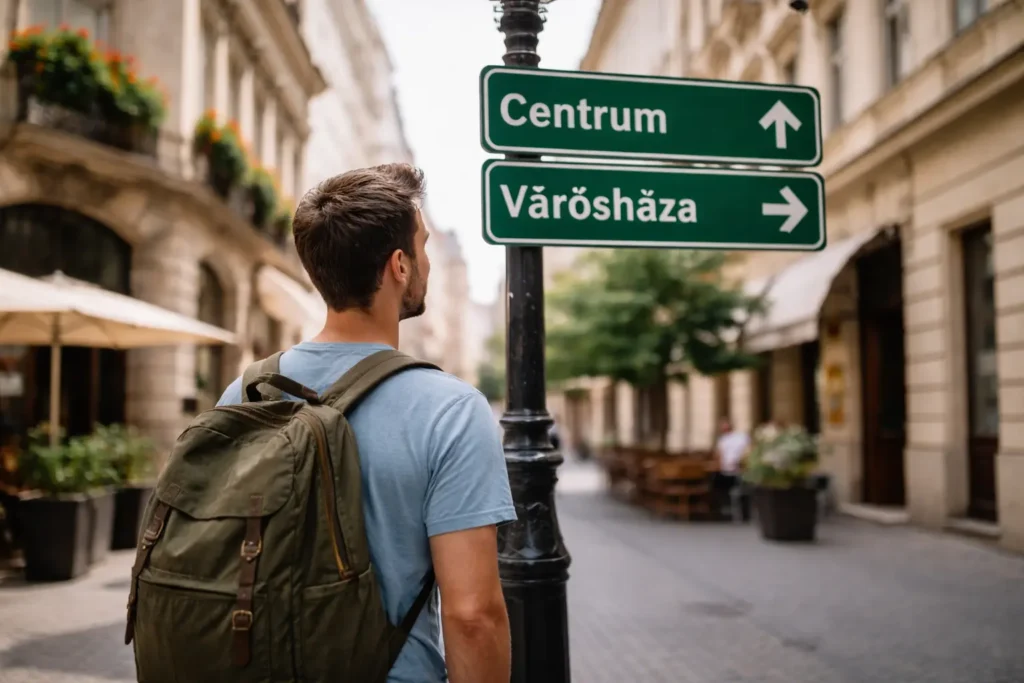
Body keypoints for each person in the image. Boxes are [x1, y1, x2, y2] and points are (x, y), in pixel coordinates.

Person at [217, 164, 516, 683]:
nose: (427, 261)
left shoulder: (246, 391)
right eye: (422, 246)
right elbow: (472, 616)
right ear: (399, 265)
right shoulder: (450, 410)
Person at [712, 417, 751, 517]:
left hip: (736, 472)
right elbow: (719, 456)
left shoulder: (741, 437)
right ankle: (724, 507)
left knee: (714, 482)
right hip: (730, 471)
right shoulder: (724, 439)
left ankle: (723, 507)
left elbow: (748, 453)